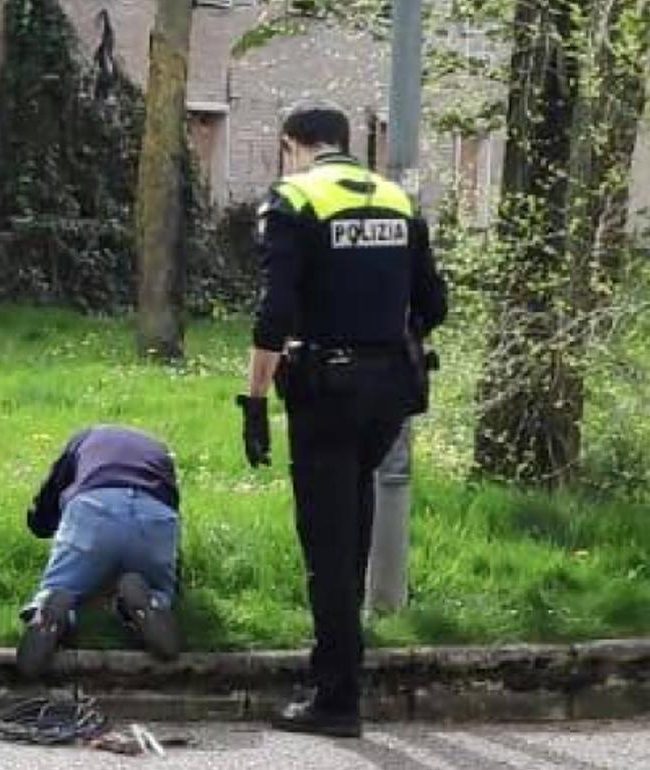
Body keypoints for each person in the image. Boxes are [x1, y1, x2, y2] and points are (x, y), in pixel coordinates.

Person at [236, 103, 447, 738]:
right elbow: (433, 302)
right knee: (351, 528)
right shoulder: (396, 197)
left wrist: (254, 401)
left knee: (327, 542)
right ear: (346, 143)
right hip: (391, 392)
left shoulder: (294, 197)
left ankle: (335, 698)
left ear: (291, 145)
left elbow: (274, 314)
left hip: (326, 389)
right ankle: (342, 669)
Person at [17, 425, 182, 678]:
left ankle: (49, 613)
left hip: (95, 508)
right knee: (159, 588)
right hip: (156, 516)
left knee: (62, 585)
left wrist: (41, 524)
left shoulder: (83, 439)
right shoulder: (159, 450)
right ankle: (149, 604)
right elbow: (172, 501)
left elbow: (50, 494)